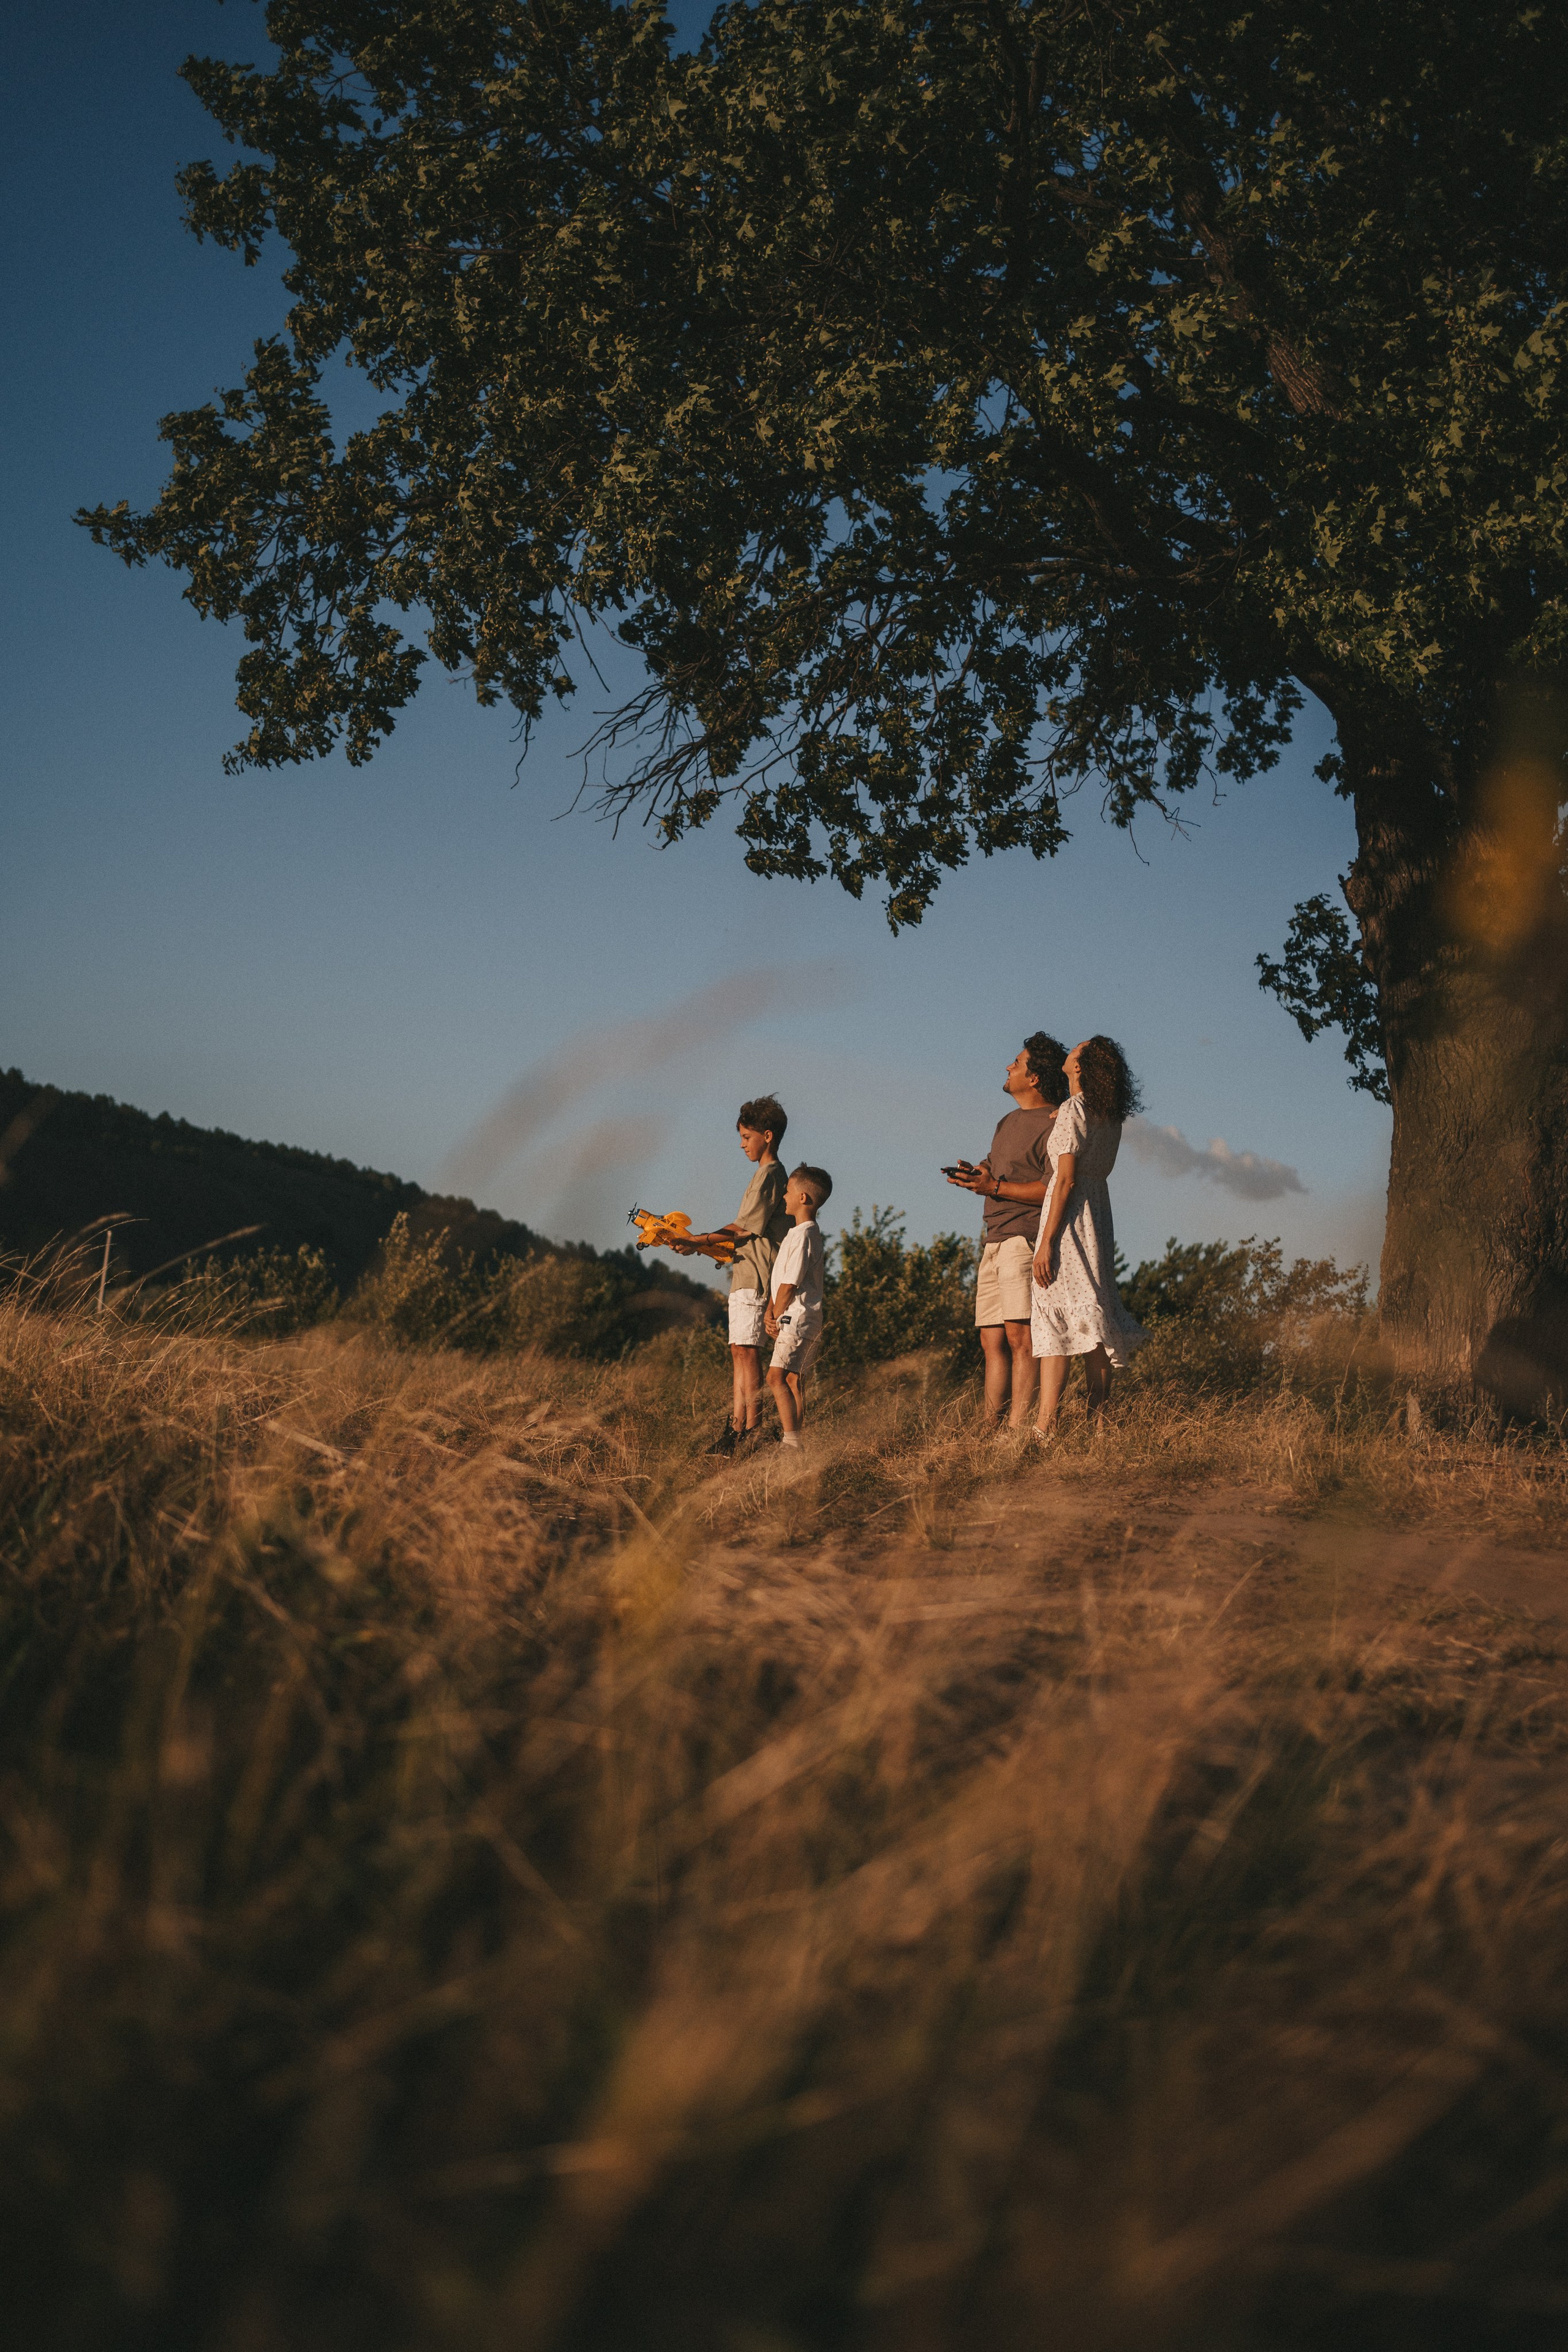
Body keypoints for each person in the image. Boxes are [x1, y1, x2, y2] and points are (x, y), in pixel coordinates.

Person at [946, 1035, 1068, 1427]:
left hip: (1023, 1240)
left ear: (1034, 1078)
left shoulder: (1056, 1124)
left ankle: (1017, 1430)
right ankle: (989, 1426)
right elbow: (999, 1167)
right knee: (991, 1341)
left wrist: (994, 1188)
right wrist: (980, 1174)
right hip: (994, 1239)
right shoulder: (1008, 1121)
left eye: (1017, 1062)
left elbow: (1052, 1188)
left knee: (1021, 1339)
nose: (1008, 1067)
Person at [1030, 1036, 1147, 1433]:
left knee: (1058, 1316)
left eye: (1076, 1050)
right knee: (1094, 1318)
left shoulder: (1075, 1109)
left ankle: (1045, 1426)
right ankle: (1098, 1424)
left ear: (1079, 1067)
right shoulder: (1108, 1115)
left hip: (1070, 1216)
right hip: (1097, 1212)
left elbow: (1063, 1180)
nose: (1070, 1052)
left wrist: (1046, 1241)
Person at [671, 1095, 792, 1455]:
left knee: (749, 1351)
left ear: (767, 1136)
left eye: (746, 1137)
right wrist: (700, 1243)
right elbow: (743, 1231)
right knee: (740, 1350)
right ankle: (736, 1428)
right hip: (744, 1272)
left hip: (758, 1273)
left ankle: (751, 1431)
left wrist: (697, 1240)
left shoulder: (772, 1174)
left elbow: (743, 1228)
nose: (741, 1145)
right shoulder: (763, 1175)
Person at [765, 1163, 832, 1449]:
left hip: (796, 1317)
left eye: (789, 1191)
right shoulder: (798, 1234)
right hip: (796, 1316)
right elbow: (780, 1279)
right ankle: (796, 1438)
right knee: (793, 1379)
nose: (784, 1196)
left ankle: (791, 1442)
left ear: (803, 1198)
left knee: (775, 1377)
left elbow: (790, 1285)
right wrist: (771, 1309)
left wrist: (775, 1315)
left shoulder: (805, 1234)